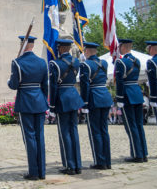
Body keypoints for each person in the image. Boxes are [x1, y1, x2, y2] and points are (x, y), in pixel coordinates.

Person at [8, 35, 48, 180]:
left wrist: (9, 79)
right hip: (39, 101)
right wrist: (45, 102)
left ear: (23, 44)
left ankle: (33, 172)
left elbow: (13, 85)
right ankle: (42, 171)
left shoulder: (17, 63)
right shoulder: (42, 62)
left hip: (25, 101)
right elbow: (45, 85)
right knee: (40, 136)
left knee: (30, 137)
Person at [49, 39, 83, 175]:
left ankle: (70, 165)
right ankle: (78, 164)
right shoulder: (77, 62)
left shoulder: (55, 64)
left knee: (65, 132)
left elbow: (53, 86)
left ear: (60, 48)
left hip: (62, 97)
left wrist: (51, 106)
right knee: (73, 130)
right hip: (74, 96)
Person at [79, 42, 113, 170]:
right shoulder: (104, 63)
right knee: (104, 130)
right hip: (105, 96)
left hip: (94, 98)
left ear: (86, 51)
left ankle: (100, 161)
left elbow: (85, 85)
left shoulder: (85, 65)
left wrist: (85, 103)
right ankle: (107, 160)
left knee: (95, 131)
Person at [115, 39, 148, 162]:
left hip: (127, 95)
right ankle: (143, 153)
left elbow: (120, 82)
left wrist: (119, 98)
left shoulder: (121, 62)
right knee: (139, 125)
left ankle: (136, 154)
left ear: (123, 47)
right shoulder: (137, 61)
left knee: (131, 126)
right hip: (137, 93)